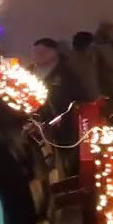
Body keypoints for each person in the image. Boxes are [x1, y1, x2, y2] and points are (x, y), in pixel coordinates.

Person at [31, 37, 86, 175]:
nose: (37, 56)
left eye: (42, 52)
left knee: (68, 159)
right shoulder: (30, 73)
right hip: (39, 126)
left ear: (52, 53)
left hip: (65, 125)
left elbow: (79, 96)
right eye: (35, 52)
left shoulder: (65, 73)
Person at [70, 31, 100, 100]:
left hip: (92, 100)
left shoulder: (91, 59)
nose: (93, 48)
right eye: (91, 45)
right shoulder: (73, 63)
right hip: (82, 102)